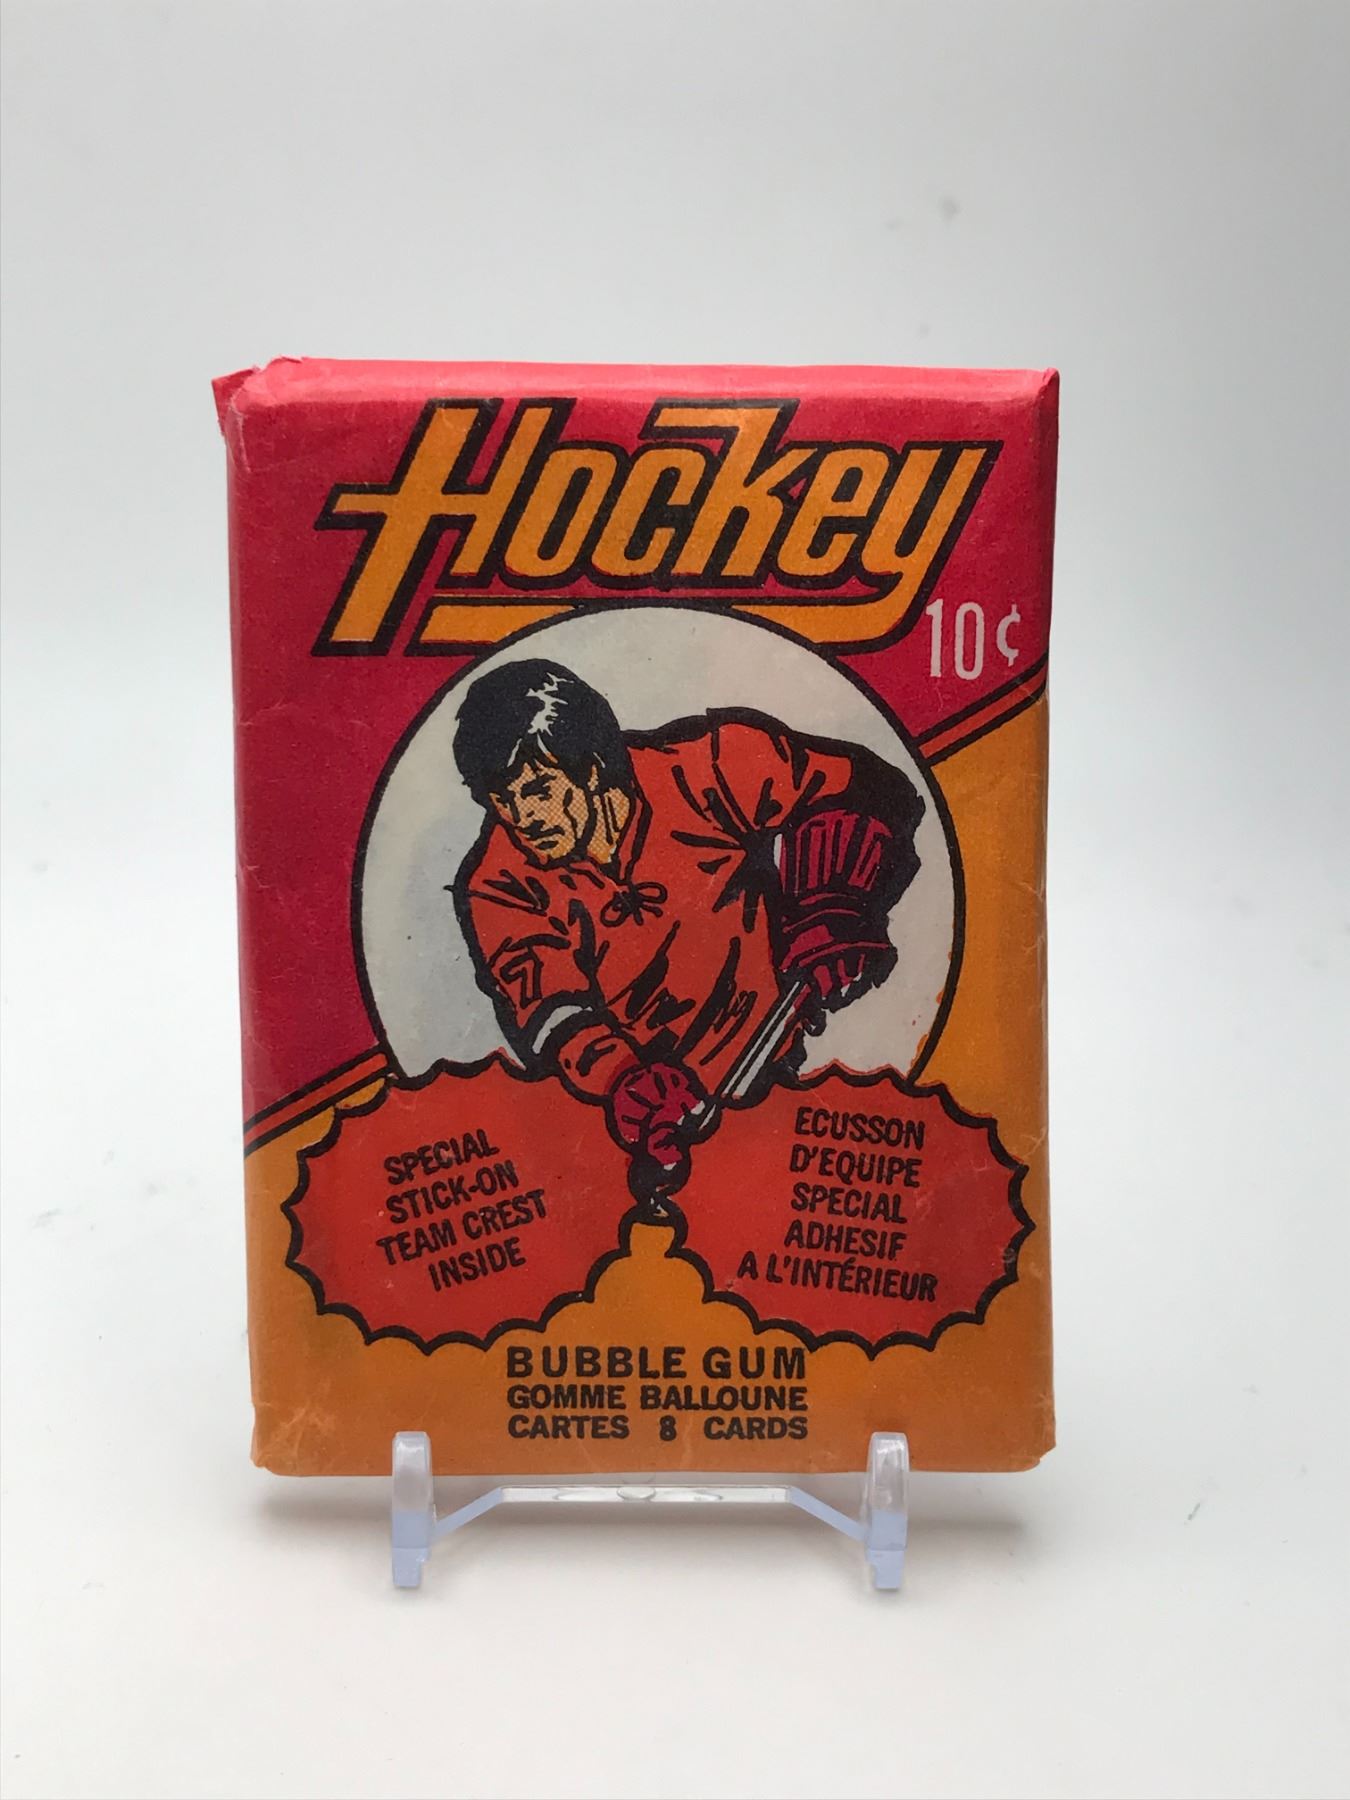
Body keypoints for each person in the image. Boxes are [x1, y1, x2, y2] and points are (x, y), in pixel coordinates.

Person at [451, 659, 923, 1198]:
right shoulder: (498, 884)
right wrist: (624, 1081)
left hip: (795, 1059)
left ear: (591, 767)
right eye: (502, 798)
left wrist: (832, 900)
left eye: (537, 790)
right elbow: (553, 1013)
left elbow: (871, 788)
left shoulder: (707, 766)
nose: (522, 818)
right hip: (677, 1125)